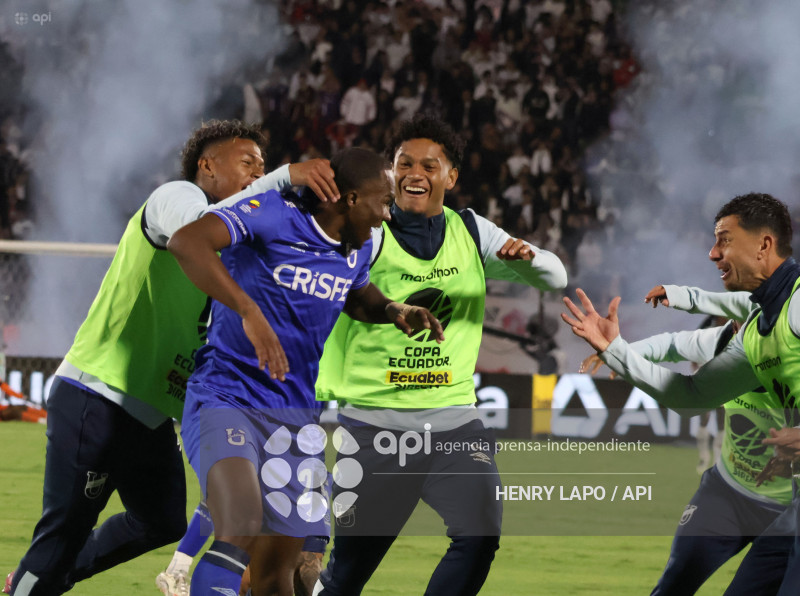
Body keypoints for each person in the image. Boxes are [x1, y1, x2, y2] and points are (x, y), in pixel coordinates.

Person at [8, 119, 340, 596]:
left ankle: (43, 580)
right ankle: (33, 581)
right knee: (62, 535)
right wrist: (284, 176)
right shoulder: (175, 199)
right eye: (248, 163)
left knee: (160, 521)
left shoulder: (239, 247)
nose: (257, 174)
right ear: (207, 166)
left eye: (263, 167)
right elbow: (197, 232)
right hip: (99, 393)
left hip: (153, 415)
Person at [168, 146, 445, 596]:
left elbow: (354, 294)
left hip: (293, 418)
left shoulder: (362, 246)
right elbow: (186, 242)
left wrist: (393, 309)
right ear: (350, 199)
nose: (388, 215)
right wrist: (247, 310)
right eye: (384, 202)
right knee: (238, 523)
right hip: (227, 396)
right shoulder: (273, 214)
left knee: (280, 572)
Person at [314, 115, 568, 596]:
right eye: (404, 163)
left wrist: (527, 260)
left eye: (430, 165)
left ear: (451, 177)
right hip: (375, 427)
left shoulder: (472, 231)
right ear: (389, 173)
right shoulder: (367, 232)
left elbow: (556, 278)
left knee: (479, 535)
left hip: (454, 422)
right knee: (346, 577)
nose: (415, 173)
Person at [561, 192, 800, 594]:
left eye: (724, 239)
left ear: (764, 245)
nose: (712, 253)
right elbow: (691, 396)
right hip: (760, 496)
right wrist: (616, 351)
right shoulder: (756, 330)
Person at [582, 311, 793, 595]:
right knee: (673, 585)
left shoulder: (789, 355)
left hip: (786, 513)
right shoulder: (723, 341)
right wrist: (616, 350)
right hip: (726, 495)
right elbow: (672, 344)